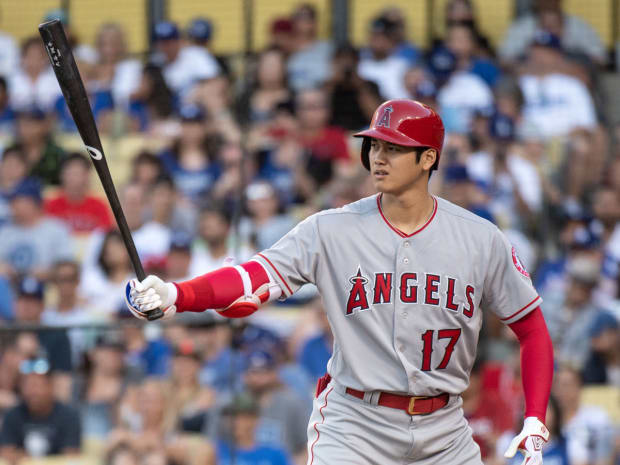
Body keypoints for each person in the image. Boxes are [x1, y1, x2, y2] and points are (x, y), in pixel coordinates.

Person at [126, 99, 554, 464]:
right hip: (356, 424)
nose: (378, 157)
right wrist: (178, 294)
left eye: (394, 148)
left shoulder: (480, 238)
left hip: (444, 429)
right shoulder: (331, 229)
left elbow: (532, 329)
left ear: (428, 158)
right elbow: (253, 279)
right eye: (374, 146)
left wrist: (535, 416)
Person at [0, 356, 81, 463]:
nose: (32, 392)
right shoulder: (13, 415)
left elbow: (71, 456)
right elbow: (6, 453)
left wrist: (24, 458)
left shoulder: (69, 416)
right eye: (27, 385)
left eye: (37, 385)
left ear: (51, 386)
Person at [0, 179, 74, 280]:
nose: (11, 206)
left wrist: (49, 273)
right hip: (10, 291)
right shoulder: (5, 231)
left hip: (48, 290)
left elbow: (68, 268)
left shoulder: (57, 230)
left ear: (31, 203)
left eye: (15, 201)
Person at [44, 152, 113, 234]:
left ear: (87, 176)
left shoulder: (99, 205)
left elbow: (106, 235)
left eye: (79, 173)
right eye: (71, 173)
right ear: (62, 175)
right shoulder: (50, 205)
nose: (75, 179)